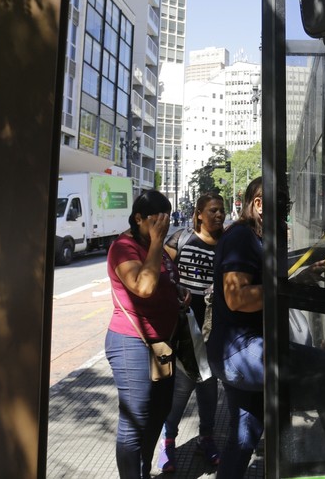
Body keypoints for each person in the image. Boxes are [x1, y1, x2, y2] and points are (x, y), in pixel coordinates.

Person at [105, 189, 184, 479]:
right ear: (138, 218)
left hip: (162, 345)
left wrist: (178, 294)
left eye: (166, 220)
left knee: (159, 411)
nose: (162, 226)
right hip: (131, 343)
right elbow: (143, 287)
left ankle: (142, 470)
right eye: (156, 220)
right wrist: (158, 241)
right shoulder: (123, 248)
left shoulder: (154, 245)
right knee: (135, 420)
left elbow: (163, 281)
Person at [156, 192, 227, 473]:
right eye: (213, 210)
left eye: (221, 210)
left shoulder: (226, 243)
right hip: (184, 329)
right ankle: (168, 443)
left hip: (213, 330)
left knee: (209, 390)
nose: (219, 215)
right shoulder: (181, 240)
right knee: (181, 391)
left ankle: (205, 439)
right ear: (198, 214)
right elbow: (161, 270)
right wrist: (173, 292)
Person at [205, 178, 266, 479]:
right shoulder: (242, 237)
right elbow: (237, 298)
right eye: (282, 209)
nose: (286, 217)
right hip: (240, 351)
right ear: (259, 204)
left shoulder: (251, 237)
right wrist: (286, 286)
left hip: (233, 352)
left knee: (245, 435)